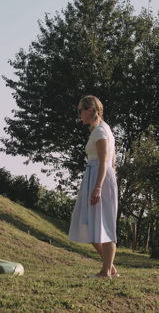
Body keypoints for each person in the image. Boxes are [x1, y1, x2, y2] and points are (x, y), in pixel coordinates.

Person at [68, 95, 118, 278]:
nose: (79, 114)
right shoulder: (100, 130)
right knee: (89, 224)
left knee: (104, 223)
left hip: (99, 178)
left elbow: (106, 161)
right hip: (95, 176)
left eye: (81, 110)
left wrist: (98, 187)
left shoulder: (100, 132)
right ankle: (109, 266)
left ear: (90, 110)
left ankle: (106, 271)